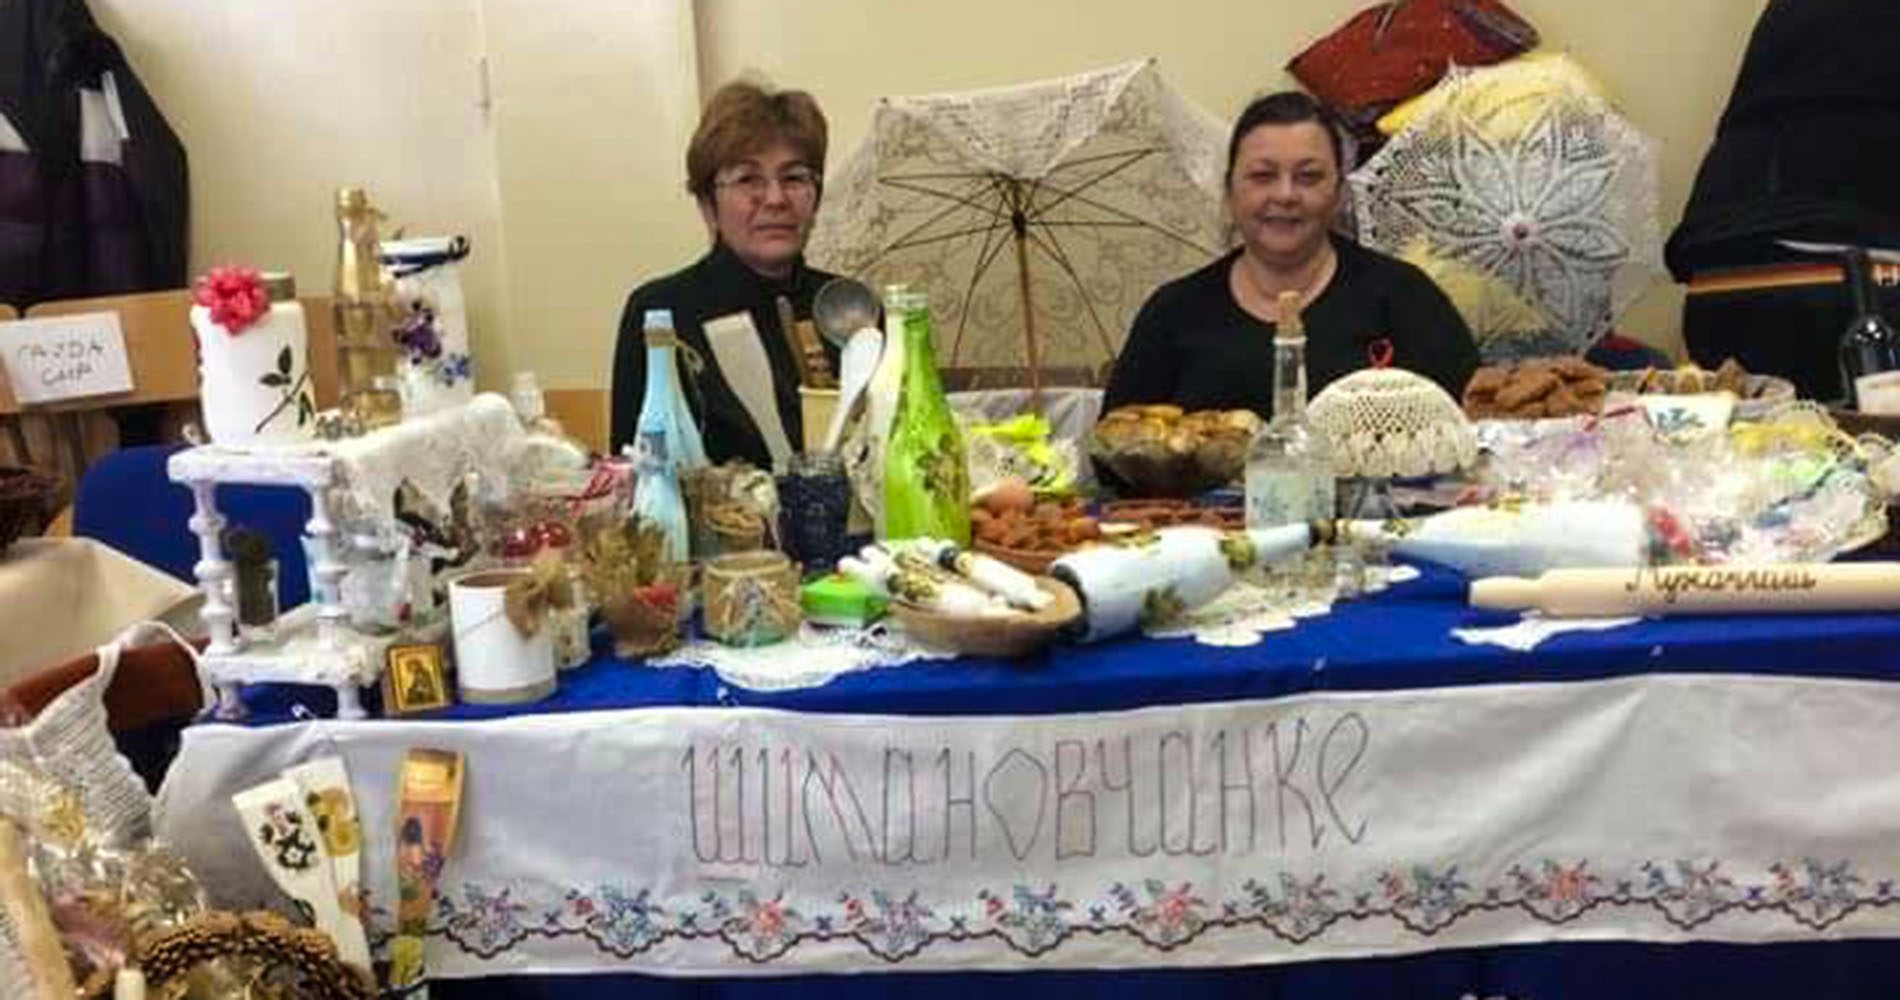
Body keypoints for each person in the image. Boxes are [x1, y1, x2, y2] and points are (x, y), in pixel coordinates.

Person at [1103, 91, 1478, 418]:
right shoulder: (1175, 312)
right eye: (1263, 176)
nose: (1285, 195)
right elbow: (1112, 453)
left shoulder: (1403, 297)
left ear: (1339, 193)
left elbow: (1474, 427)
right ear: (1230, 191)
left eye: (1309, 177)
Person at [610, 81, 838, 468]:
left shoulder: (846, 308)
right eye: (748, 179)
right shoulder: (661, 313)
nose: (775, 199)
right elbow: (638, 473)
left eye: (794, 178)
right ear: (707, 204)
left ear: (815, 196)